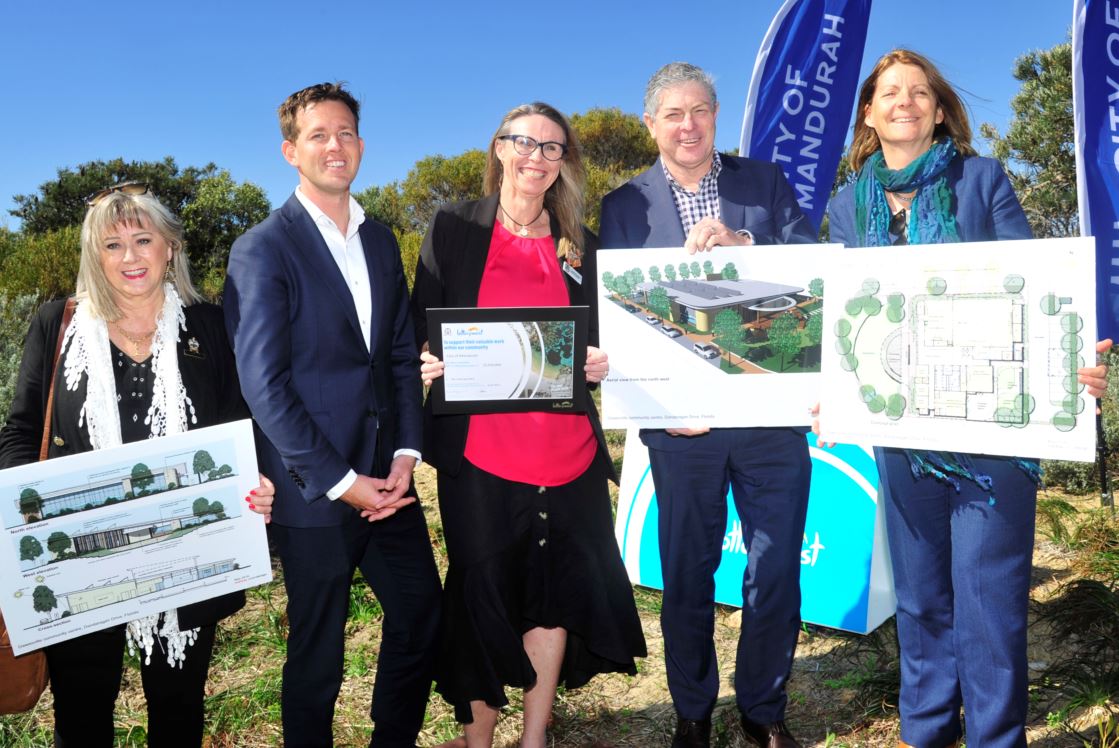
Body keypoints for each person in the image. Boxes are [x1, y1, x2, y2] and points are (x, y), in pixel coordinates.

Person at [827, 48, 1112, 748]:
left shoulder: (981, 182)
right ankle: (925, 734)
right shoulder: (845, 207)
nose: (905, 102)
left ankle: (993, 739)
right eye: (889, 92)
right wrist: (828, 388)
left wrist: (1072, 361)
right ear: (868, 113)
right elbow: (836, 320)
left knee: (987, 606)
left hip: (991, 442)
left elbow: (1036, 289)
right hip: (902, 440)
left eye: (919, 91)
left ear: (937, 108)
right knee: (922, 602)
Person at [0, 185, 275, 748]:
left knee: (178, 708)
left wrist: (256, 482)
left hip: (187, 554)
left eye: (143, 239)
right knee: (81, 711)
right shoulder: (57, 324)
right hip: (77, 559)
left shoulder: (211, 326)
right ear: (93, 256)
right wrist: (20, 509)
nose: (130, 257)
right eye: (112, 244)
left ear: (169, 247)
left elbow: (239, 424)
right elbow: (22, 431)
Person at [410, 101, 646, 748]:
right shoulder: (454, 228)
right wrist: (428, 362)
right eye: (523, 142)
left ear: (563, 162)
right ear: (498, 149)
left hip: (566, 454)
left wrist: (598, 362)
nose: (535, 157)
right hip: (482, 457)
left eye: (551, 147)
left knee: (554, 597)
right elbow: (418, 329)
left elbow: (601, 341)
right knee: (482, 598)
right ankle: (479, 738)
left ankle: (535, 736)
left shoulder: (582, 248)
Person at [598, 62, 816, 748]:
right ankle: (691, 710)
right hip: (678, 426)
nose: (687, 124)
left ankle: (762, 709)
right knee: (687, 574)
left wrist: (746, 244)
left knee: (774, 567)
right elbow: (616, 313)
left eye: (699, 110)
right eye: (672, 114)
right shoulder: (622, 205)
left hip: (767, 419)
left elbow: (813, 265)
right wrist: (636, 391)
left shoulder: (764, 183)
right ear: (650, 125)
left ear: (715, 116)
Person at [223, 82, 440, 748]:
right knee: (317, 655)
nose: (334, 146)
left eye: (345, 132)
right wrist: (342, 482)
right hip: (315, 492)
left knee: (421, 616)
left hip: (390, 481)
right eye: (318, 135)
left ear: (363, 145)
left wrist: (406, 454)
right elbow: (264, 383)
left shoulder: (379, 241)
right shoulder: (263, 248)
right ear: (291, 151)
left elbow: (399, 356)